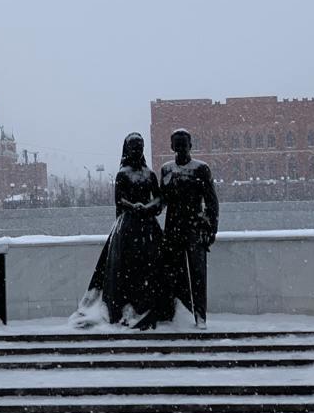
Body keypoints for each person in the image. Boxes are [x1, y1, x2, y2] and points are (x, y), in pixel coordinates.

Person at [71, 132, 167, 330]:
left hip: (148, 228)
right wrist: (134, 206)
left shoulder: (149, 174)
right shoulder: (122, 174)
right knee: (125, 269)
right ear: (127, 150)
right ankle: (124, 307)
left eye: (139, 147)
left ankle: (148, 306)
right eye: (133, 148)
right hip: (127, 228)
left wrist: (148, 207)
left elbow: (159, 198)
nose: (136, 151)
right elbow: (119, 200)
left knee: (150, 268)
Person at [160, 128, 219, 329]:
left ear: (190, 145)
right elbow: (162, 200)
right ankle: (178, 317)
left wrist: (212, 231)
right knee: (173, 275)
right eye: (177, 144)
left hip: (195, 228)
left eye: (184, 143)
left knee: (198, 275)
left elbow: (212, 202)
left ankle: (200, 318)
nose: (180, 148)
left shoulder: (201, 169)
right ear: (172, 146)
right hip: (172, 230)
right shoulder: (166, 169)